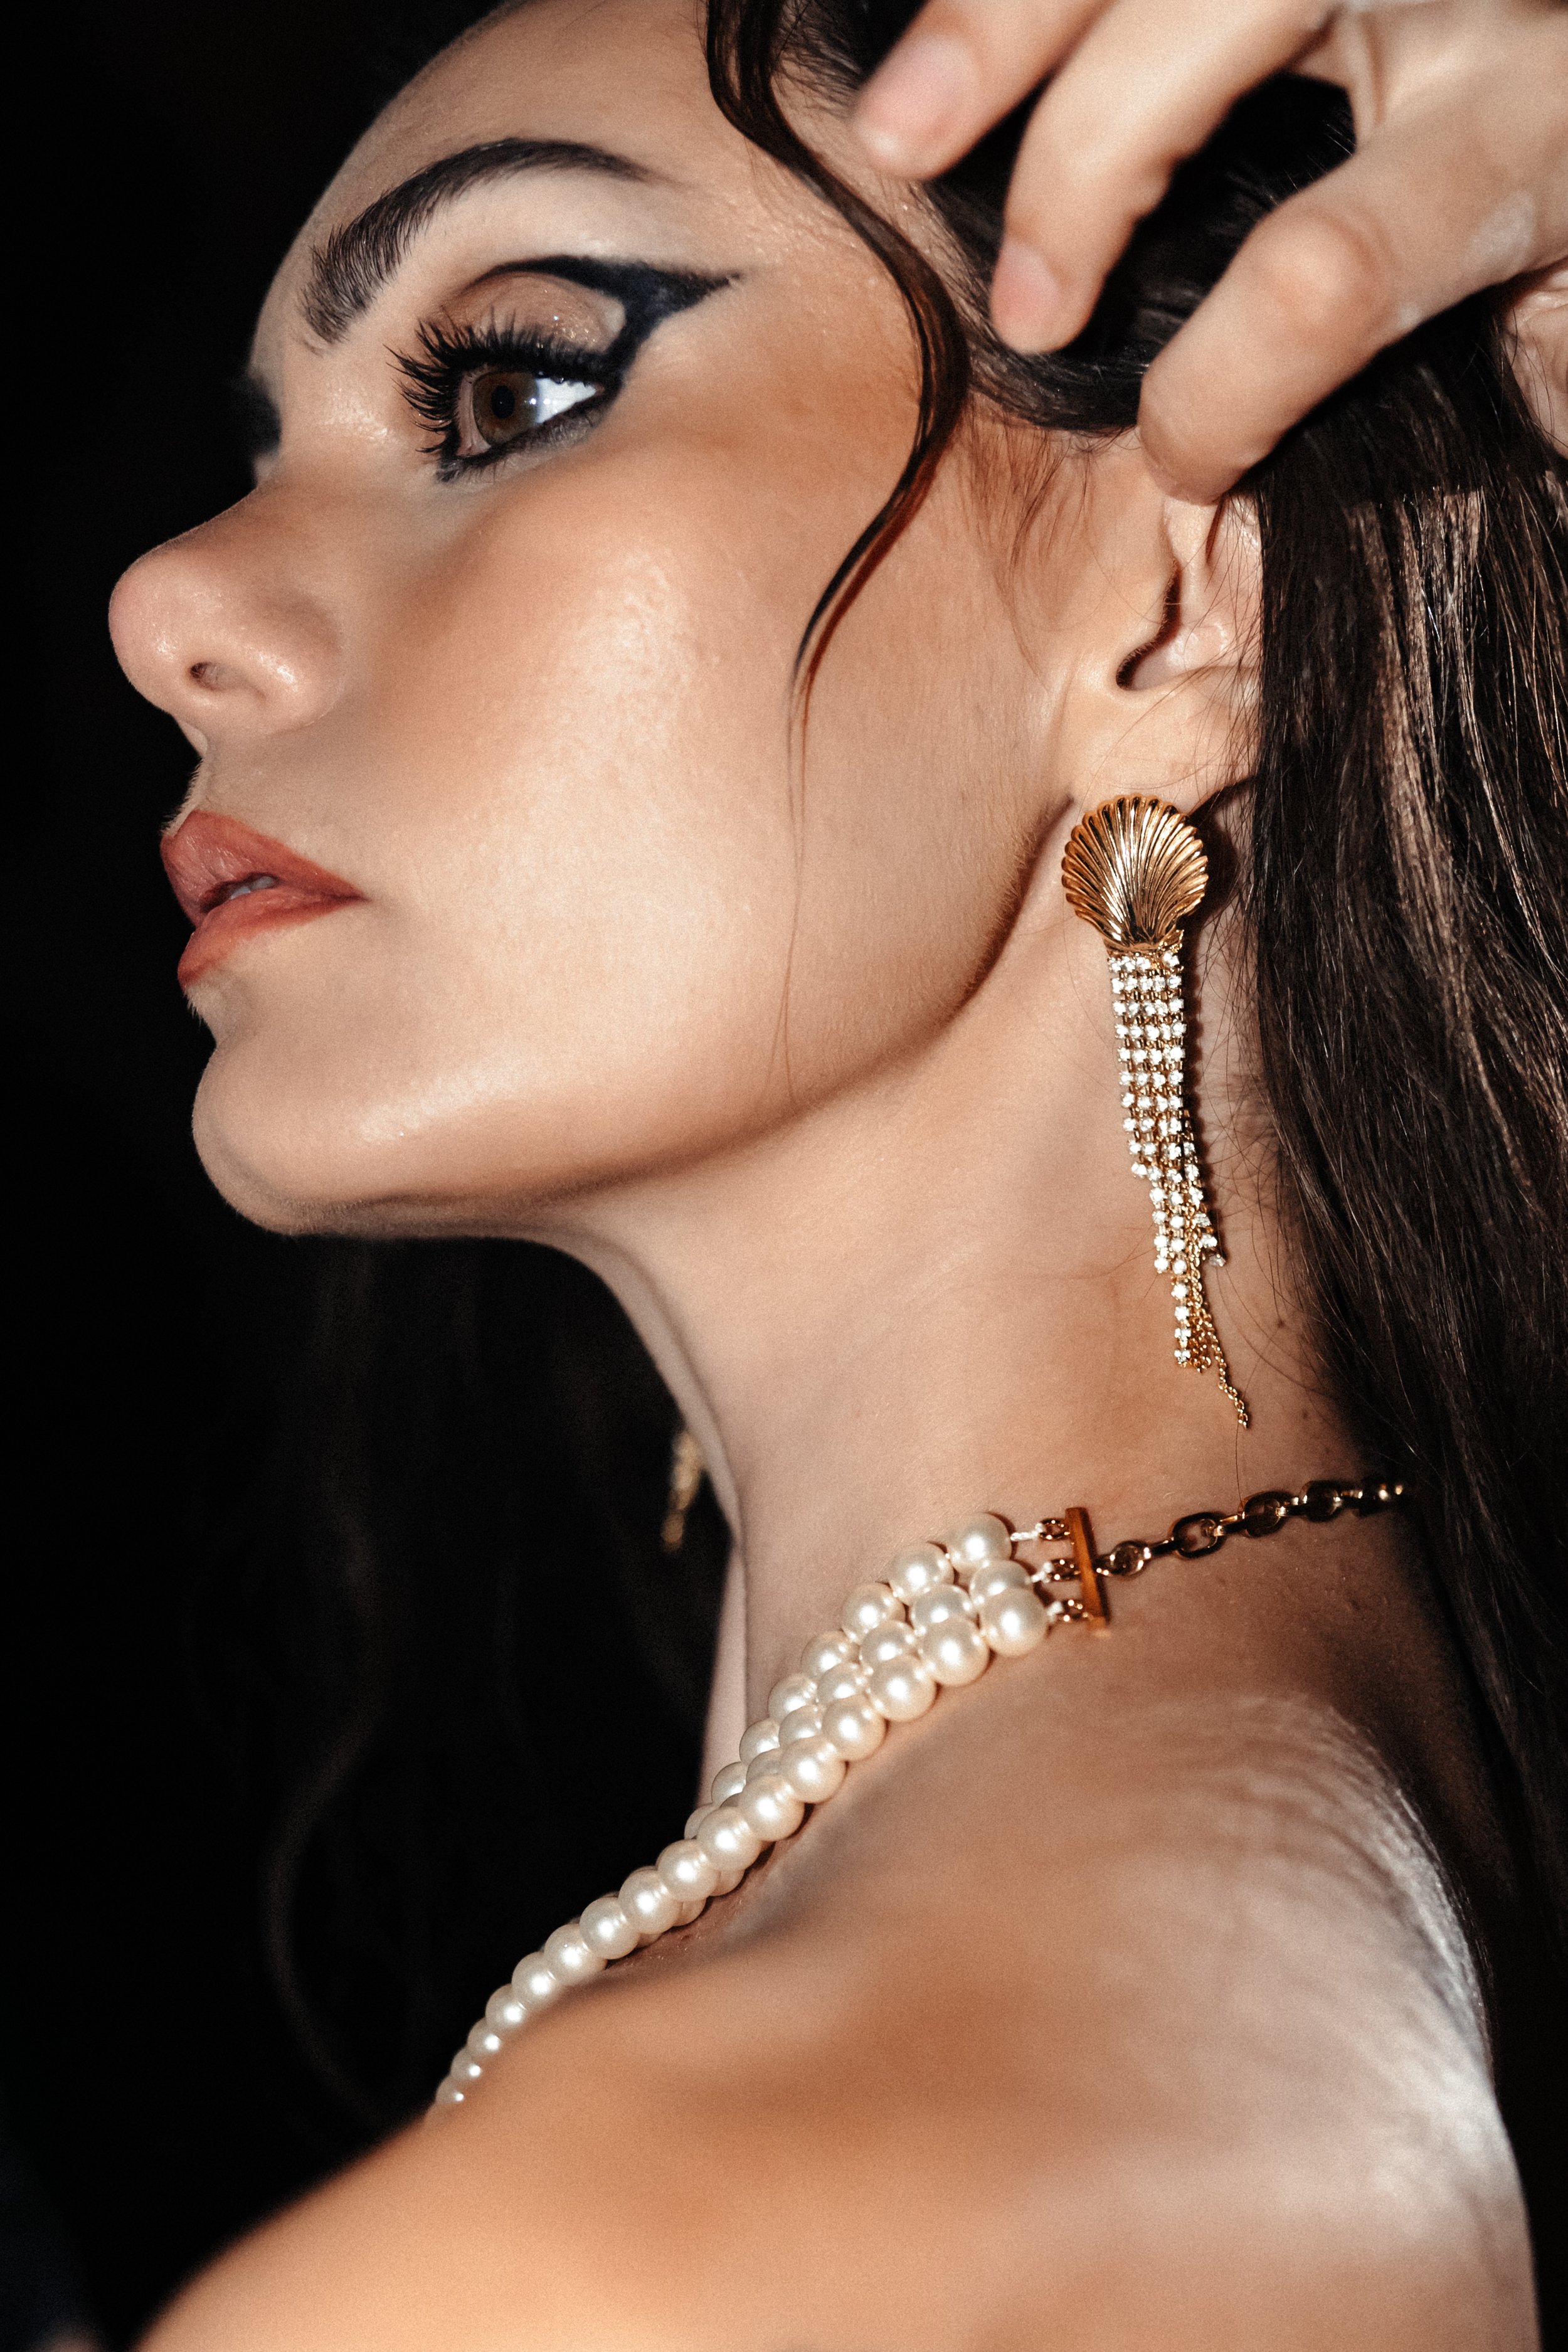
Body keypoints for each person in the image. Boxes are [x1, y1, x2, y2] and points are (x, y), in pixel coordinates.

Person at [107, 0, 1567, 2343]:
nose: (165, 602)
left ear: (1181, 610)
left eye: (510, 390)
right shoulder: (1251, 1955)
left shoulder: (655, 2250)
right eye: (262, 446)